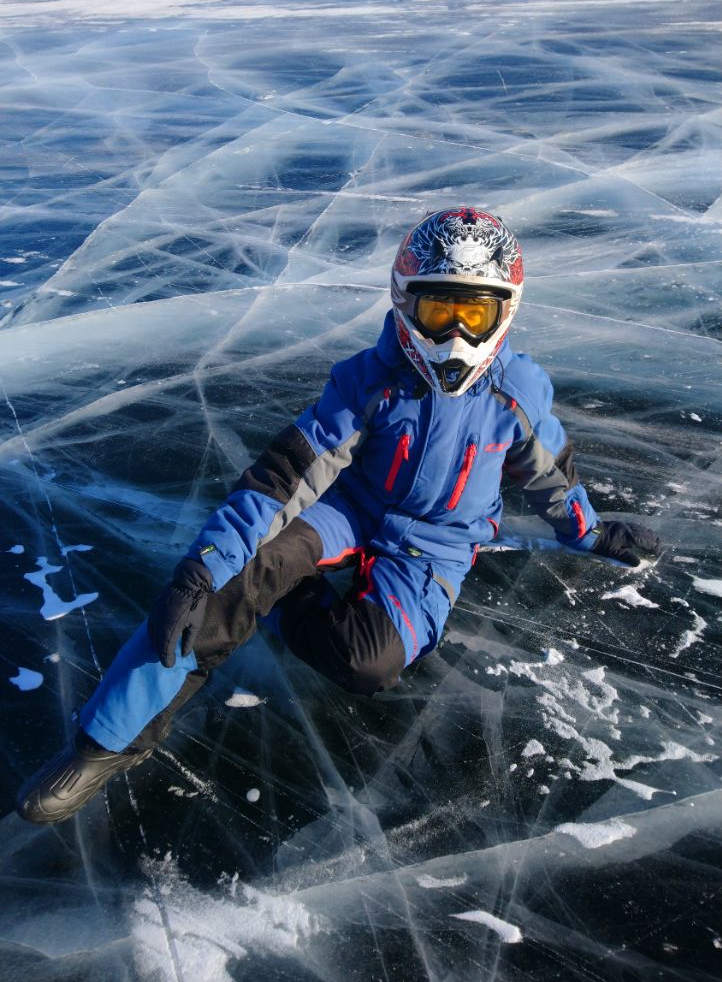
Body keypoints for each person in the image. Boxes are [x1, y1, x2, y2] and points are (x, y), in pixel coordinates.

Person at [17, 207, 661, 824]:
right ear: (406, 304)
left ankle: (295, 601)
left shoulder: (516, 393)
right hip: (351, 512)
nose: (457, 336)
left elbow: (549, 474)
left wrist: (590, 531)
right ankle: (102, 746)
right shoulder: (367, 381)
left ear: (505, 312)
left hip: (435, 546)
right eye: (440, 312)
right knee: (224, 587)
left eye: (474, 313)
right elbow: (285, 476)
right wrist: (202, 567)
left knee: (366, 664)